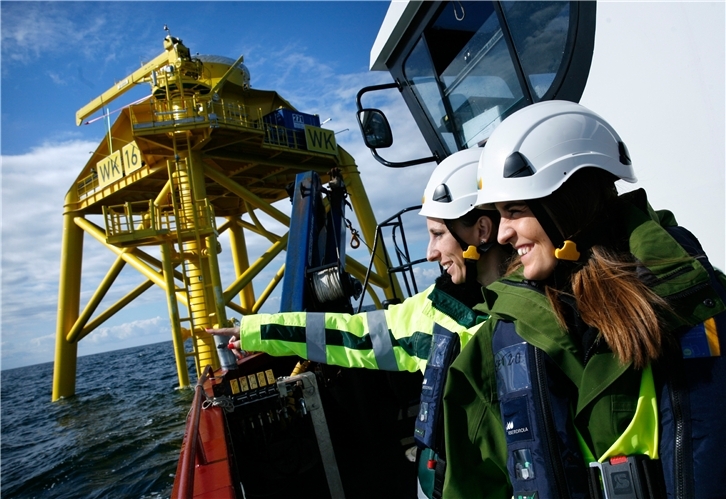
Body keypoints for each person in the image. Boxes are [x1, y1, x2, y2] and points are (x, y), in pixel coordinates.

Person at [442, 100, 726, 498]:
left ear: (566, 206)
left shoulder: (696, 294)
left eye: (515, 210)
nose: (502, 234)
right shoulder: (495, 345)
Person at [207, 147, 511, 498]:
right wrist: (257, 331)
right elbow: (352, 334)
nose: (429, 253)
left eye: (438, 234)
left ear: (482, 230)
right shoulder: (432, 311)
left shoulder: (537, 314)